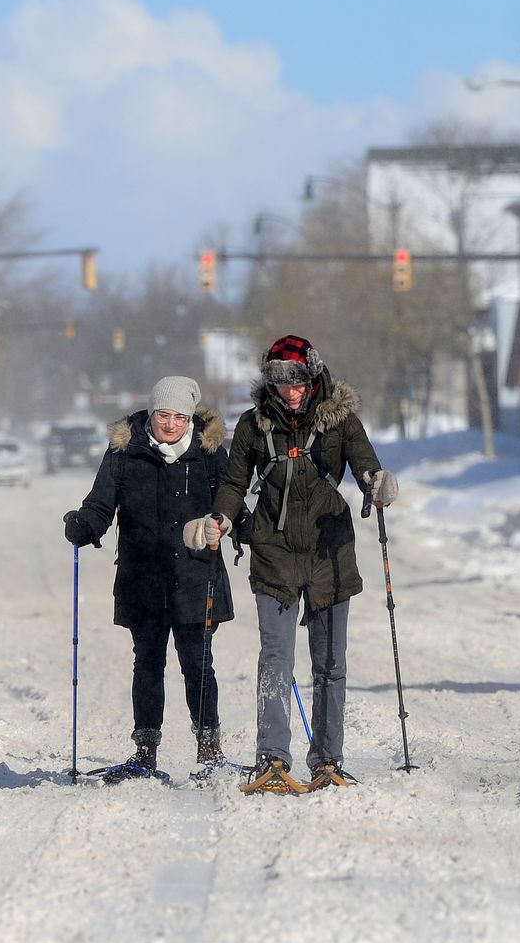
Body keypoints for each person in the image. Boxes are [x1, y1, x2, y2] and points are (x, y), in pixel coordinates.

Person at [185, 335, 399, 793]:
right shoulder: (253, 425)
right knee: (276, 659)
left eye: (298, 380)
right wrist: (220, 518)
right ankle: (272, 758)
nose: (290, 390)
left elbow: (366, 467)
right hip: (274, 552)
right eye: (280, 382)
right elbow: (233, 483)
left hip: (329, 552)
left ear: (314, 375)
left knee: (330, 664)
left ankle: (327, 761)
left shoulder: (341, 421)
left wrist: (376, 483)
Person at [63, 376, 236, 780]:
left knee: (198, 663)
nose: (171, 424)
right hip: (143, 576)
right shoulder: (126, 451)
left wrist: (242, 528)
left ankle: (209, 751)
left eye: (179, 416)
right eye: (163, 415)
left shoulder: (209, 452)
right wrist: (86, 526)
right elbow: (102, 502)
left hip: (196, 574)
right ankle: (145, 752)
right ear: (151, 413)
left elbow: (230, 501)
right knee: (148, 663)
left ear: (189, 417)